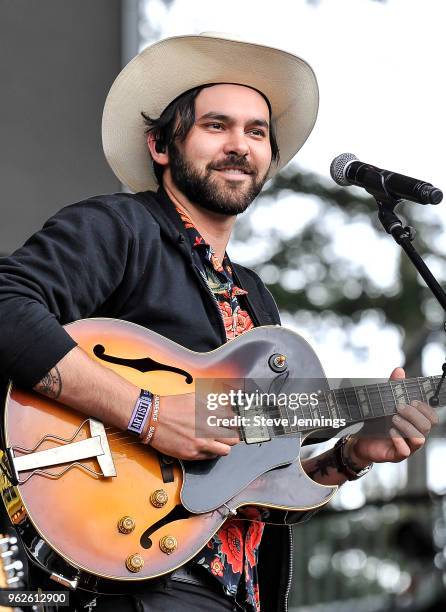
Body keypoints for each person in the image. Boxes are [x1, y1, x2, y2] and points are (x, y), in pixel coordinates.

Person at [0, 33, 438, 612]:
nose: (240, 145)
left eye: (257, 132)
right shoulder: (120, 228)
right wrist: (147, 413)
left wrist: (349, 457)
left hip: (227, 592)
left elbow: (255, 483)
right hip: (123, 580)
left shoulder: (253, 298)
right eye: (217, 126)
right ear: (161, 145)